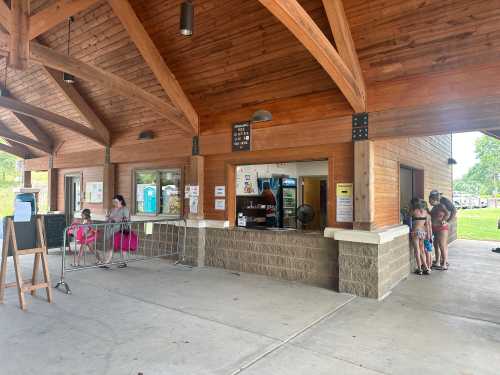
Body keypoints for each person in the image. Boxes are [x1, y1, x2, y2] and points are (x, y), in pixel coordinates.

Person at [429, 190, 456, 270]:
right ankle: (437, 262)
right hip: (435, 228)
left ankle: (444, 264)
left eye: (430, 200)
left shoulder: (441, 205)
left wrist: (446, 221)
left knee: (442, 245)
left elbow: (448, 213)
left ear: (434, 199)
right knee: (436, 245)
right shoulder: (434, 207)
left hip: (441, 228)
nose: (429, 202)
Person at [100, 194, 130, 265]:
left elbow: (126, 219)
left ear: (121, 201)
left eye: (116, 202)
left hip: (120, 230)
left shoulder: (125, 209)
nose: (114, 203)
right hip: (111, 230)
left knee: (121, 247)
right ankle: (109, 261)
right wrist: (107, 216)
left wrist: (115, 219)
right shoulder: (112, 209)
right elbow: (107, 219)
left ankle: (119, 262)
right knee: (112, 246)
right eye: (114, 202)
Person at [409, 198, 431, 275]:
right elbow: (427, 225)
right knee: (422, 250)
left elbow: (408, 219)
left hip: (415, 232)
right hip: (423, 232)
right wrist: (428, 234)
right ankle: (426, 267)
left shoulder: (413, 211)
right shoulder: (426, 213)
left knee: (417, 250)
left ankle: (419, 268)